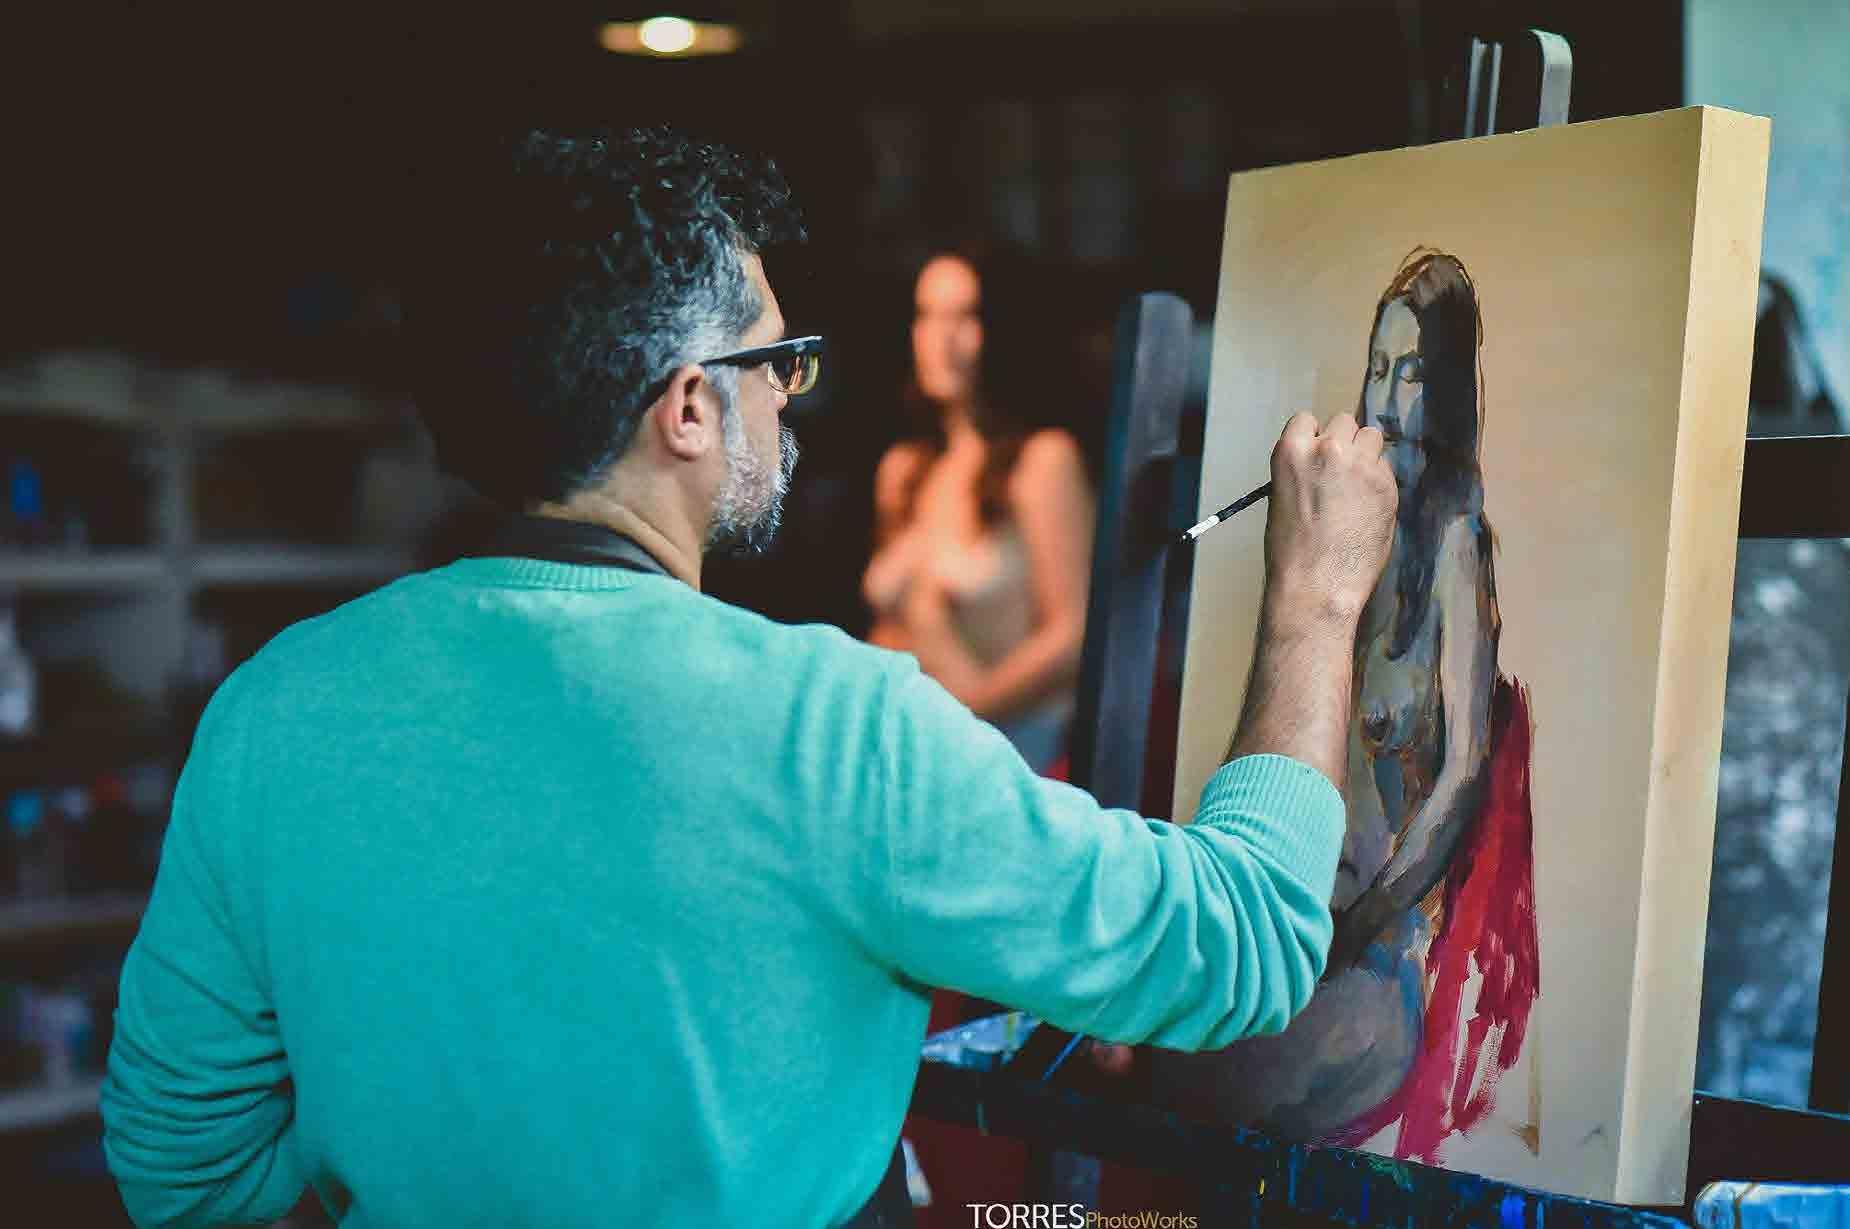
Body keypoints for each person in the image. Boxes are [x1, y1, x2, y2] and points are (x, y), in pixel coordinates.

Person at [99, 126, 1398, 1229]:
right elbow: (1241, 940)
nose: (788, 392)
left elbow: (180, 1170)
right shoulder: (832, 729)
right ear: (684, 407)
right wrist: (1315, 597)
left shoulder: (275, 708)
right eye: (773, 358)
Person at [1149, 249, 1538, 1165]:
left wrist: (1352, 930)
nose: (1389, 399)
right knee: (1156, 1051)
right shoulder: (1339, 530)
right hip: (1281, 917)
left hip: (1370, 957)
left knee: (1210, 1096)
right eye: (1378, 368)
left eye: (1415, 374)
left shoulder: (1455, 545)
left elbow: (1461, 782)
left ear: (1448, 392)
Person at [862, 249, 1094, 774]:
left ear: (1001, 327)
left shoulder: (1042, 461)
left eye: (963, 316)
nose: (941, 338)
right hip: (918, 744)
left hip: (1015, 752)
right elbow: (891, 630)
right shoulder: (903, 469)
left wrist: (967, 713)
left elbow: (1072, 637)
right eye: (926, 316)